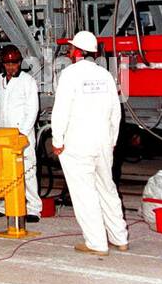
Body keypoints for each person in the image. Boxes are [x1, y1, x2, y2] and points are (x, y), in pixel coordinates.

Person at [52, 30, 128, 256]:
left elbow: (61, 111)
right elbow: (116, 112)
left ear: (76, 51)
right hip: (103, 143)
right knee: (107, 188)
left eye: (70, 48)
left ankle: (96, 243)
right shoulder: (105, 75)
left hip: (77, 144)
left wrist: (57, 140)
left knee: (85, 194)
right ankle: (119, 237)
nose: (68, 51)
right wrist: (112, 140)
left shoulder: (70, 75)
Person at [0, 45, 42, 222]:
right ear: (3, 64)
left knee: (27, 171)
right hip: (2, 133)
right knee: (2, 171)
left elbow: (32, 109)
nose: (11, 67)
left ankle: (33, 209)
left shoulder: (28, 81)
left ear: (19, 63)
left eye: (14, 63)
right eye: (8, 63)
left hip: (22, 135)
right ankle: (2, 206)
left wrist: (23, 132)